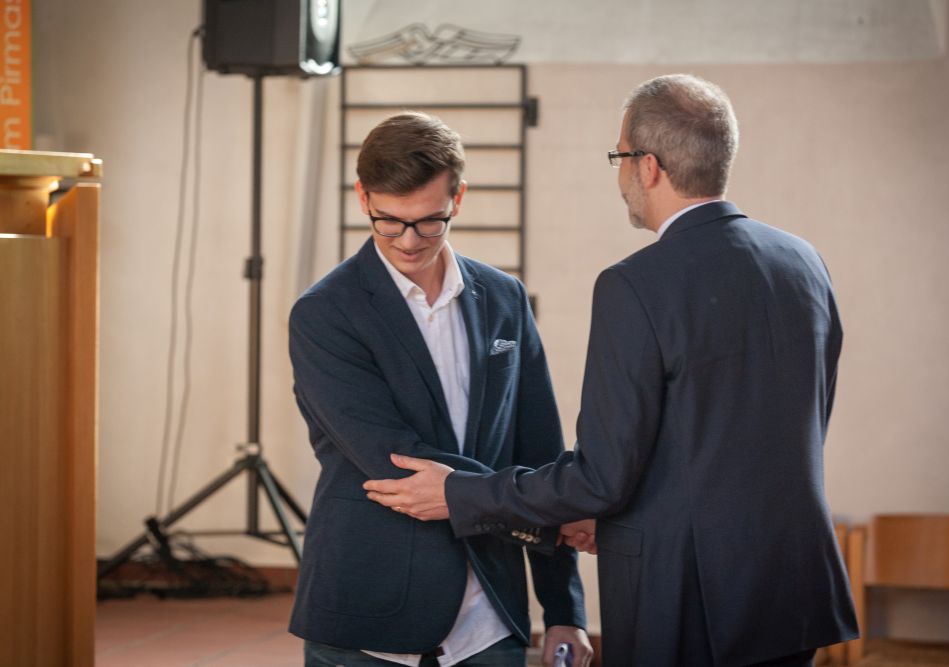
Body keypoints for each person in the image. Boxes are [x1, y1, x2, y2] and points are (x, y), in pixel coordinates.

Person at [363, 75, 859, 666]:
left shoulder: (637, 284)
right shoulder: (802, 261)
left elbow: (602, 477)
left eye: (619, 157)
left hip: (688, 592)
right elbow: (781, 427)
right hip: (793, 581)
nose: (620, 176)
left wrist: (460, 492)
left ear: (647, 166)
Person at [287, 112, 592, 667]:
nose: (409, 241)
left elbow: (539, 450)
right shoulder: (325, 313)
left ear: (459, 198)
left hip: (490, 619)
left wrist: (563, 610)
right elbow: (397, 462)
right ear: (363, 197)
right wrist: (546, 518)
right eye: (389, 221)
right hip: (368, 614)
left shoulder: (504, 297)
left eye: (430, 221)